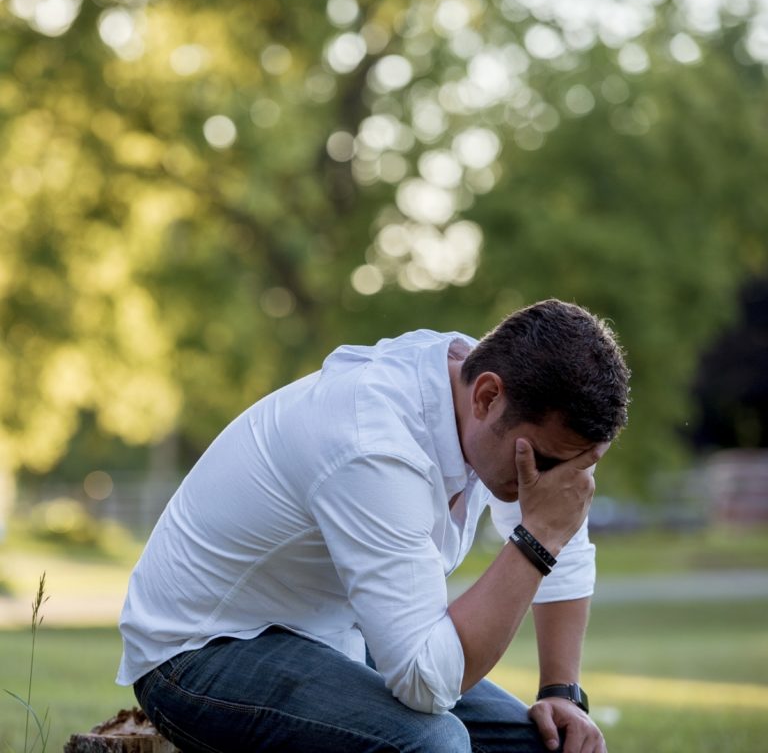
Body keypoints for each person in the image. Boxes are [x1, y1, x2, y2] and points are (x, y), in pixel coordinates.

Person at [117, 298, 630, 753]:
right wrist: (535, 540)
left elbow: (566, 531)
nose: (552, 484)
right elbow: (426, 682)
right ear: (487, 398)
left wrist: (561, 693)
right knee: (432, 744)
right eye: (546, 462)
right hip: (198, 653)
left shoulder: (495, 396)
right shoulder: (374, 442)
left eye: (576, 469)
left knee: (541, 745)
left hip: (329, 633)